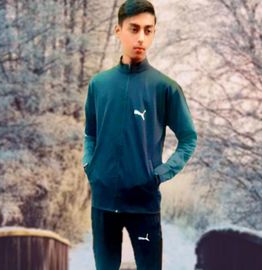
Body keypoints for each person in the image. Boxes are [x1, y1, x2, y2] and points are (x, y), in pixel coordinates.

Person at [82, 0, 197, 269]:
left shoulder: (165, 88)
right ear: (118, 30)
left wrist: (161, 173)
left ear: (154, 32)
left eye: (148, 30)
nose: (141, 37)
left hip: (144, 205)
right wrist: (90, 166)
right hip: (103, 204)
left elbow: (189, 138)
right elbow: (90, 134)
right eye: (134, 29)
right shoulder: (99, 84)